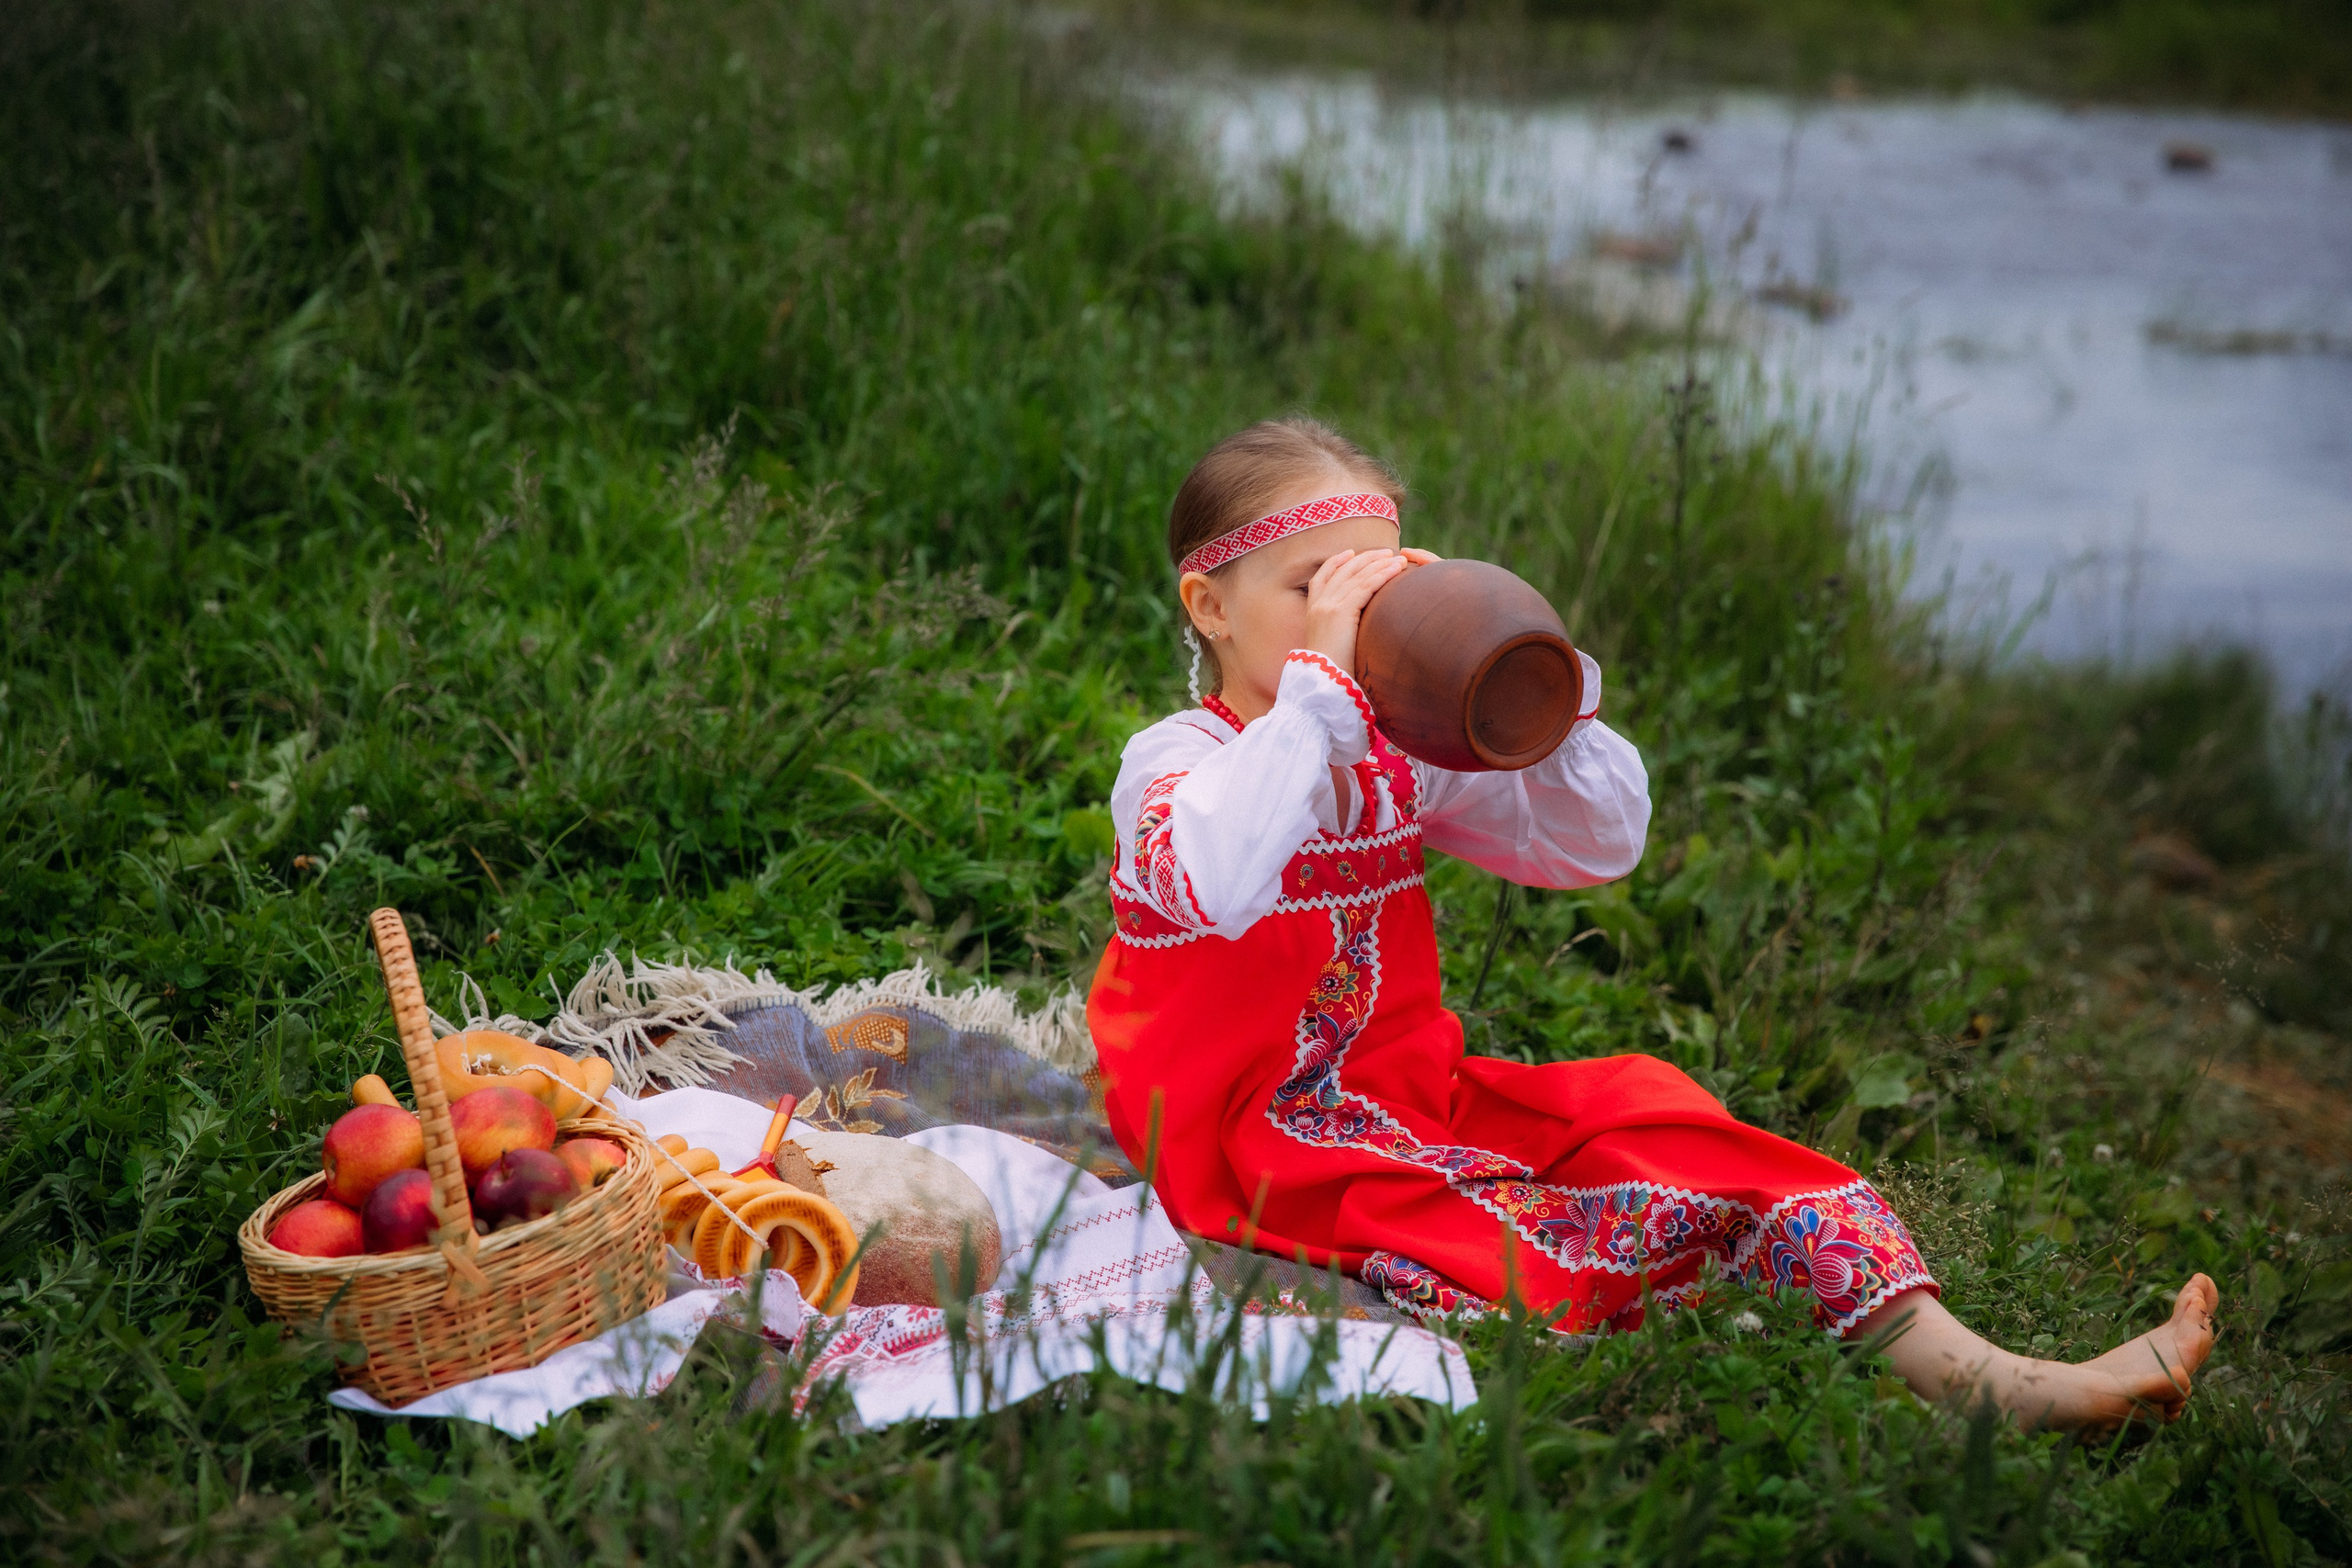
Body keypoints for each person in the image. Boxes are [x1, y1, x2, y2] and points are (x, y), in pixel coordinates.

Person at [1084, 417, 2218, 1432]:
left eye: (1373, 596)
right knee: (1510, 1225)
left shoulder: (1391, 755)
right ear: (1210, 607)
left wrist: (1530, 693)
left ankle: (1993, 1381)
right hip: (1239, 1126)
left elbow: (1591, 844)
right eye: (1311, 592)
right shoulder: (1181, 765)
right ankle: (1902, 1374)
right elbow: (1223, 876)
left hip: (1404, 1096)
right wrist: (1325, 695)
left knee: (1660, 1120)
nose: (1349, 626)